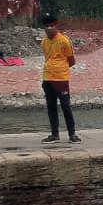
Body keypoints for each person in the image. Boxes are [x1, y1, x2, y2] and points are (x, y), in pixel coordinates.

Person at [40, 14, 80, 143]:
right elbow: (47, 57)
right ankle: (54, 134)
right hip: (47, 77)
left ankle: (72, 134)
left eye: (51, 25)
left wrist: (60, 69)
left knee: (65, 106)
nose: (49, 28)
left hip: (61, 79)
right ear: (44, 27)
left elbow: (71, 60)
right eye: (47, 26)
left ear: (56, 26)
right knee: (51, 107)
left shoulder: (64, 41)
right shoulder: (44, 42)